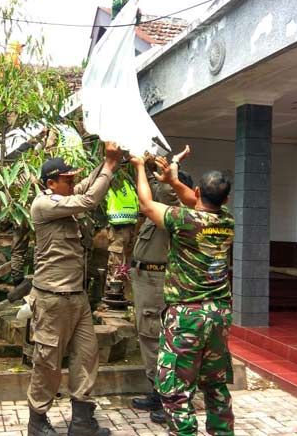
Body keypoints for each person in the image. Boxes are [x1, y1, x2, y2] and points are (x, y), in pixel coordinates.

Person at [131, 154, 236, 436]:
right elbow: (196, 201)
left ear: (199, 191)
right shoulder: (227, 220)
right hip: (219, 315)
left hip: (188, 316)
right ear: (225, 201)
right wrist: (175, 181)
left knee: (176, 388)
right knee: (215, 385)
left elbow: (146, 204)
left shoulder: (183, 219)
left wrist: (141, 167)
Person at [26, 143, 122, 436]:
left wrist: (110, 163)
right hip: (52, 300)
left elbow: (85, 186)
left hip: (77, 298)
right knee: (47, 363)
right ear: (50, 183)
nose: (72, 183)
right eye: (66, 179)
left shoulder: (63, 197)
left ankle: (81, 421)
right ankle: (38, 421)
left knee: (86, 357)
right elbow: (90, 198)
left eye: (71, 179)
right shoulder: (44, 205)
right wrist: (107, 165)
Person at [129, 147, 190, 424]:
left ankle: (167, 396)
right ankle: (157, 390)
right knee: (148, 334)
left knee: (155, 336)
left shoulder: (172, 213)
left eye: (165, 181)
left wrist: (155, 168)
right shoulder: (162, 212)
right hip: (146, 279)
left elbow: (153, 195)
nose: (158, 184)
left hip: (156, 280)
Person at [104, 178, 139, 286]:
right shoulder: (114, 178)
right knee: (117, 262)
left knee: (123, 262)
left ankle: (119, 290)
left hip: (130, 223)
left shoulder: (129, 180)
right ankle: (112, 291)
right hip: (118, 224)